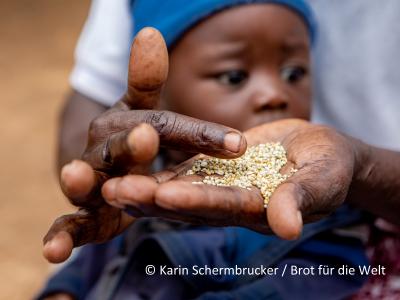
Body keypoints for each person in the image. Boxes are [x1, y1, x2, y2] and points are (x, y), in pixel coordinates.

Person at [40, 0, 400, 298]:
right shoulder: (137, 193)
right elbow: (88, 268)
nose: (274, 93)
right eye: (234, 77)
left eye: (293, 73)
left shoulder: (315, 216)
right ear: (161, 96)